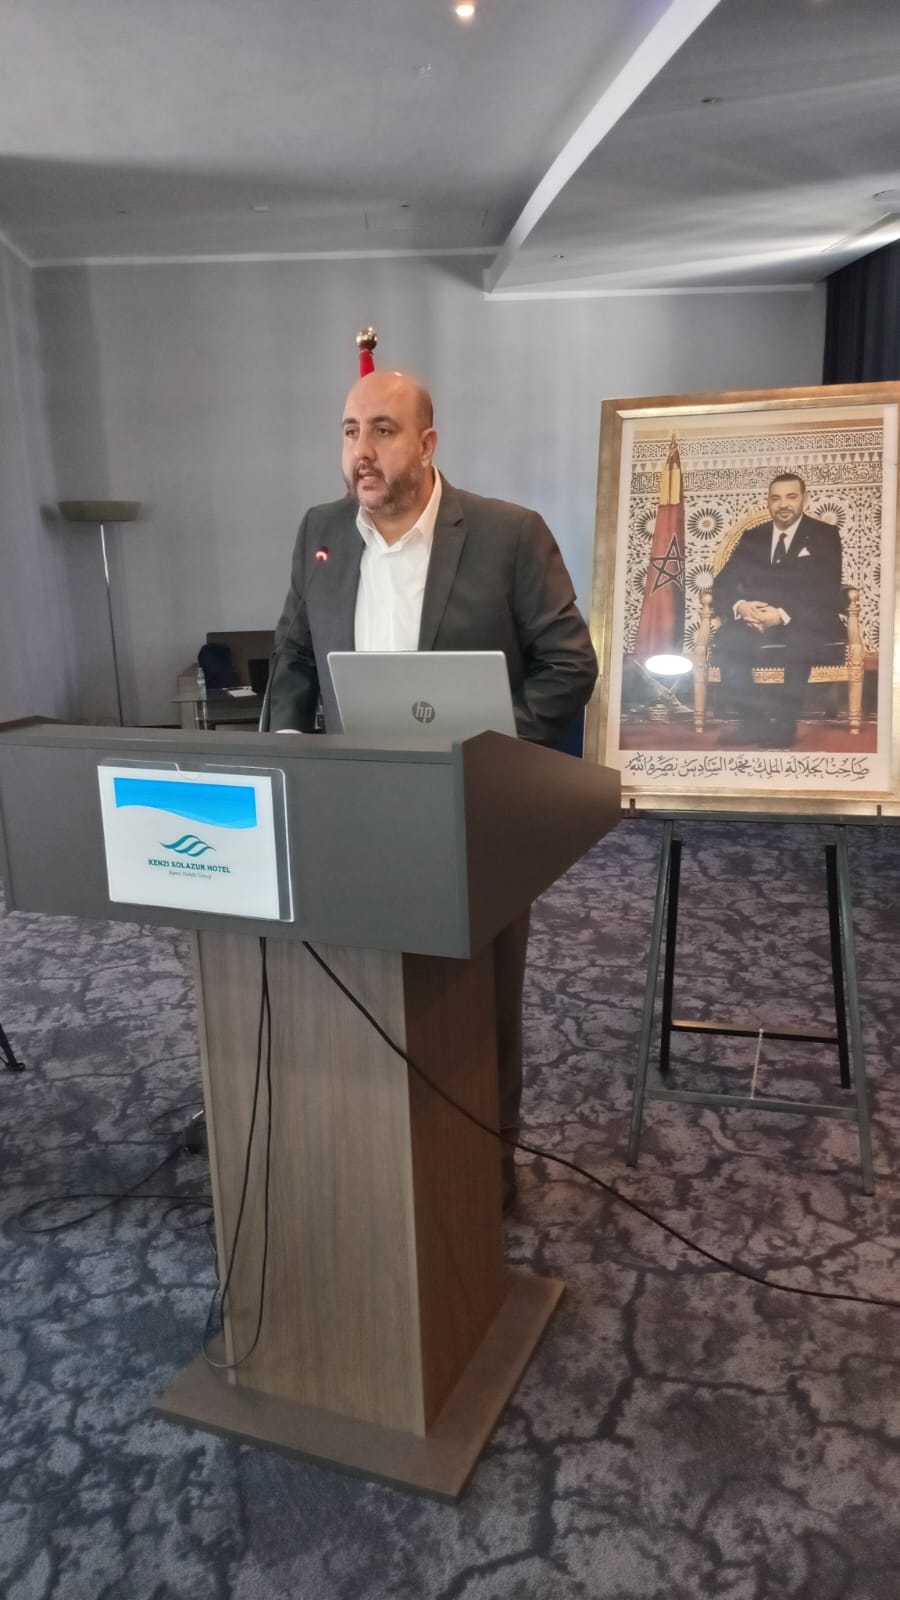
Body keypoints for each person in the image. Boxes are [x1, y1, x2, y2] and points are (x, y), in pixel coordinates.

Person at [266, 368, 598, 1211]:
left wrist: (488, 745)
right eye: (350, 431)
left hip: (471, 808)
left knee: (477, 1003)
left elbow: (570, 666)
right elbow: (294, 657)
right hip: (352, 807)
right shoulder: (320, 533)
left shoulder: (508, 534)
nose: (362, 451)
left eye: (382, 430)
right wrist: (287, 751)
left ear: (426, 443)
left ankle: (485, 1173)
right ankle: (374, 1164)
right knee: (363, 986)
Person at [712, 472, 844, 747]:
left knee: (799, 640)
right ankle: (753, 723)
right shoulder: (753, 537)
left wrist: (781, 615)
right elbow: (722, 583)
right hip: (756, 620)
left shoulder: (825, 534)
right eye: (776, 498)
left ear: (804, 499)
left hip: (805, 619)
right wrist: (742, 607)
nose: (783, 504)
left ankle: (784, 726)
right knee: (727, 639)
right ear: (769, 502)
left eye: (791, 497)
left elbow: (826, 588)